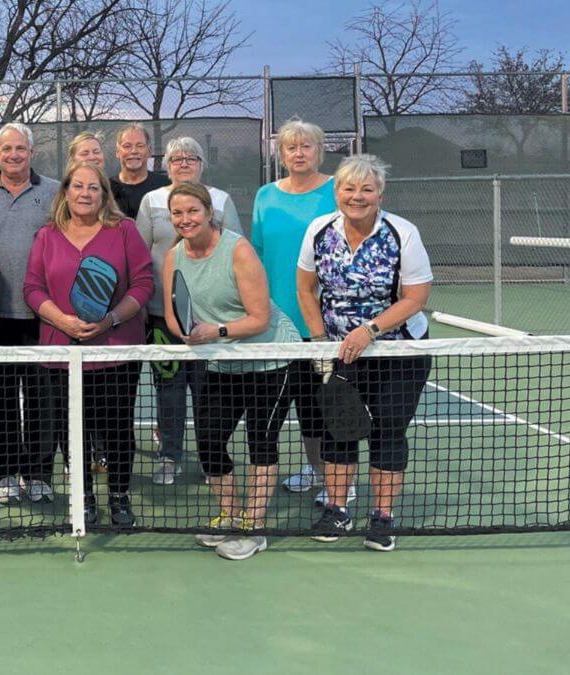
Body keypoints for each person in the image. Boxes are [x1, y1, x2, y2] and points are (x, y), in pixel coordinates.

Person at [297, 155, 433, 552]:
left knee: (388, 430)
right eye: (348, 188)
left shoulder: (402, 233)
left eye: (366, 189)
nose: (357, 196)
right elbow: (306, 289)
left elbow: (416, 297)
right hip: (341, 354)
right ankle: (337, 509)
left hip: (399, 352)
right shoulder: (319, 230)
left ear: (380, 194)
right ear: (337, 191)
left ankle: (383, 517)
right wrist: (321, 339)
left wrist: (370, 330)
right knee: (338, 431)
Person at [163, 182, 300, 561]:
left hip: (270, 356)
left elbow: (257, 319)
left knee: (261, 442)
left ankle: (253, 528)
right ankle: (229, 514)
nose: (185, 219)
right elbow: (173, 315)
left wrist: (216, 331)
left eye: (193, 211)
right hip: (222, 360)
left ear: (209, 212)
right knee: (209, 439)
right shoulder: (174, 255)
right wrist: (187, 334)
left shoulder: (237, 250)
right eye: (177, 213)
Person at [24, 161, 153, 526]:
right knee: (71, 429)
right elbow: (32, 288)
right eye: (77, 186)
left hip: (115, 349)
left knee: (116, 427)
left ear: (104, 195)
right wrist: (63, 320)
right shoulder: (47, 235)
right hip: (61, 351)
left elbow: (143, 284)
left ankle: (119, 497)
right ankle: (83, 499)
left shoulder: (124, 231)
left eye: (93, 188)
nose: (85, 194)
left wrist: (109, 319)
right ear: (65, 192)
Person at [135, 136, 242, 486]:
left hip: (211, 318)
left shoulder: (221, 199)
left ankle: (212, 458)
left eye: (191, 158)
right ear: (166, 165)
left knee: (207, 390)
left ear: (201, 164)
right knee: (169, 388)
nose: (183, 163)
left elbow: (235, 251)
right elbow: (140, 252)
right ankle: (170, 457)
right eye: (176, 158)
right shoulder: (152, 201)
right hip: (161, 314)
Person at [251, 119, 345, 505]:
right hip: (275, 323)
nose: (299, 153)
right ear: (281, 154)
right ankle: (315, 469)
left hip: (324, 323)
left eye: (306, 146)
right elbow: (256, 254)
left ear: (319, 151)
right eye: (291, 147)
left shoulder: (336, 192)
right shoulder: (265, 196)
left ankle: (339, 480)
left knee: (325, 408)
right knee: (295, 408)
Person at [0, 122, 60, 504]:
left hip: (43, 315)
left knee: (43, 399)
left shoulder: (54, 192)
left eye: (21, 148)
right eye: (7, 149)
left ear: (32, 152)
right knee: (0, 398)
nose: (14, 155)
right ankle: (3, 474)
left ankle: (38, 474)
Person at [109, 123, 168, 219]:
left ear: (149, 151)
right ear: (117, 152)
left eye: (140, 146)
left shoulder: (166, 186)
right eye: (127, 146)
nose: (133, 151)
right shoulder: (106, 189)